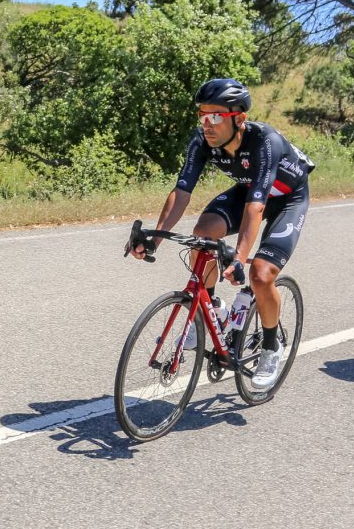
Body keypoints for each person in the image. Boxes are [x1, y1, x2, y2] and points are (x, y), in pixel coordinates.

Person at [126, 78, 314, 389]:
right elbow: (182, 192)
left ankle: (271, 347)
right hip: (248, 191)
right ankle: (211, 309)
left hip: (286, 199)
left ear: (239, 119)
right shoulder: (202, 140)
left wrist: (239, 259)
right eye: (202, 115)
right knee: (202, 235)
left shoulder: (264, 141)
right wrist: (155, 238)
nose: (207, 124)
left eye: (215, 116)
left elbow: (256, 207)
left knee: (260, 274)